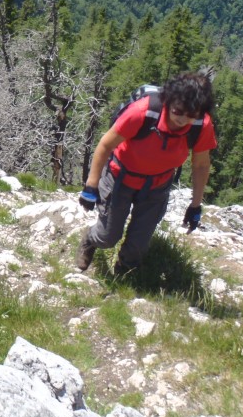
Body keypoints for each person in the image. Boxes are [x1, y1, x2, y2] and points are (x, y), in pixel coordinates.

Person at [76, 72, 217, 274]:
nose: (183, 119)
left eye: (191, 114)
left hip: (157, 185)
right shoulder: (143, 112)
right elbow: (106, 144)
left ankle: (124, 273)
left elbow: (201, 166)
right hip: (120, 177)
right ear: (169, 100)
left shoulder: (200, 125)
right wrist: (91, 185)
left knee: (138, 246)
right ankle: (90, 240)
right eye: (178, 111)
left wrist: (195, 205)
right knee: (107, 237)